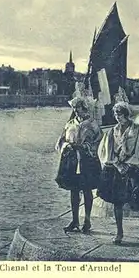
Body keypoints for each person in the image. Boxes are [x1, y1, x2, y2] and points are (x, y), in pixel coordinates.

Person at [97, 102, 139, 244]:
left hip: (133, 166)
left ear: (126, 114)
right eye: (116, 114)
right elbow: (107, 150)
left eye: (120, 114)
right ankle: (119, 232)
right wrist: (117, 164)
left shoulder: (138, 129)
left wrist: (130, 164)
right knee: (118, 201)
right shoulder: (113, 131)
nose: (118, 117)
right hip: (118, 169)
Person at [55, 97, 103, 234]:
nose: (76, 111)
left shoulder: (92, 124)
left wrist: (87, 147)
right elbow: (61, 140)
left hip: (87, 160)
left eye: (78, 108)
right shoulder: (70, 123)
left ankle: (87, 221)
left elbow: (99, 141)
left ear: (85, 108)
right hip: (72, 160)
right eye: (74, 108)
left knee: (87, 189)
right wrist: (66, 146)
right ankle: (75, 220)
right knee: (74, 190)